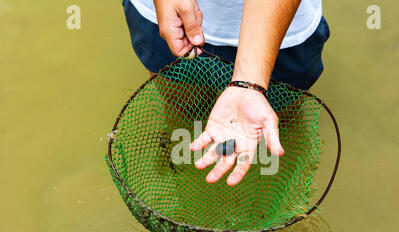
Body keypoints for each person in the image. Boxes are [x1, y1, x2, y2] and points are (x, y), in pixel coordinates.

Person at [122, 0, 330, 186]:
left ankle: (271, 179)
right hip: (165, 14)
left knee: (280, 123)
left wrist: (251, 82)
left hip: (279, 23)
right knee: (182, 112)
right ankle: (182, 172)